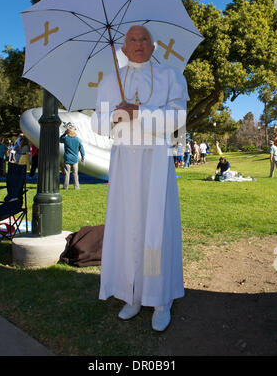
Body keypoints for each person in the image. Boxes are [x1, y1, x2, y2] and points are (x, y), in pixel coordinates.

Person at [91, 25, 188, 332]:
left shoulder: (170, 76)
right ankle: (131, 292)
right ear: (122, 47)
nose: (138, 44)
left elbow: (178, 118)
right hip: (124, 161)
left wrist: (141, 113)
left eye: (143, 38)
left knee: (154, 230)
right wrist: (116, 116)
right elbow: (96, 122)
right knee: (128, 228)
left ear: (152, 45)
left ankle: (160, 298)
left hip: (156, 159)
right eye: (132, 39)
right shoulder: (110, 82)